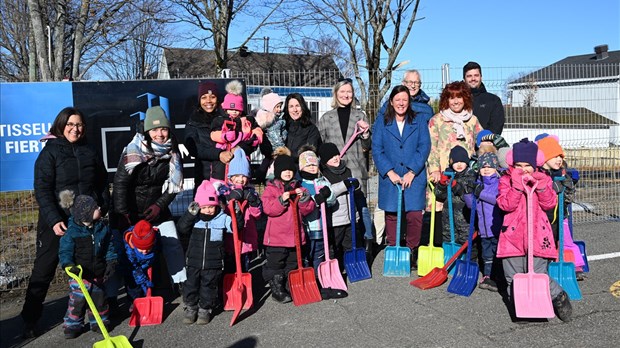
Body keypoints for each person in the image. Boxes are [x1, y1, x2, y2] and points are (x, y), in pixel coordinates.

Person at [21, 107, 110, 338]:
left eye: (79, 124)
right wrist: (53, 220)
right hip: (57, 222)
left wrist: (103, 206)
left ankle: (96, 313)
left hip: (86, 222)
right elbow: (42, 190)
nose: (75, 129)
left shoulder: (89, 150)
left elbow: (101, 182)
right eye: (70, 124)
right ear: (60, 125)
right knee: (44, 270)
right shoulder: (49, 153)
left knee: (92, 265)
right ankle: (30, 319)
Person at [496, 138, 572, 322]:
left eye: (527, 165)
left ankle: (558, 296)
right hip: (512, 237)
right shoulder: (506, 180)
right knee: (512, 276)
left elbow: (550, 203)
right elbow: (505, 205)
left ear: (536, 164)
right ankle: (520, 307)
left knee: (538, 274)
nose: (523, 169)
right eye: (518, 165)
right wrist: (515, 187)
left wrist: (543, 186)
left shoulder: (543, 180)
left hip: (537, 235)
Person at [113, 105, 187, 289]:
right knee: (123, 251)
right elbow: (120, 183)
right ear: (147, 131)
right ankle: (128, 293)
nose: (160, 134)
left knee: (173, 243)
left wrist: (159, 206)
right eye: (154, 130)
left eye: (163, 128)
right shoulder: (133, 150)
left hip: (155, 209)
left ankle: (183, 286)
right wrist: (123, 214)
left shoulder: (173, 151)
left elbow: (173, 187)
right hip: (129, 211)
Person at [371, 85, 431, 270]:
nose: (401, 103)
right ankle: (394, 246)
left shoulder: (419, 120)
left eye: (405, 99)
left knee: (414, 215)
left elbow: (424, 146)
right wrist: (390, 172)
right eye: (398, 100)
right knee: (392, 214)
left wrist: (412, 171)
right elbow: (377, 148)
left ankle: (412, 249)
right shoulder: (382, 121)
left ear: (409, 101)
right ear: (391, 101)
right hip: (391, 175)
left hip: (414, 175)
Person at [317, 78, 374, 255]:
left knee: (361, 207)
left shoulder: (360, 116)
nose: (346, 95)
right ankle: (340, 246)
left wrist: (365, 134)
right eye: (342, 92)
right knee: (339, 210)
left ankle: (366, 243)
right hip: (334, 171)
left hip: (356, 169)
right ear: (336, 94)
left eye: (349, 91)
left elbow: (367, 145)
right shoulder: (326, 118)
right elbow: (321, 145)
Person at [427, 81, 483, 251]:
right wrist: (435, 169)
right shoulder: (437, 120)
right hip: (444, 173)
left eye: (459, 97)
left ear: (465, 98)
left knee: (464, 212)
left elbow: (481, 145)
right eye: (452, 98)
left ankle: (468, 252)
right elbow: (432, 147)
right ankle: (443, 249)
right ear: (446, 100)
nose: (456, 101)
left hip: (466, 175)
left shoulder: (472, 120)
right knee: (442, 211)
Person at [58, 194, 116, 339]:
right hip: (79, 275)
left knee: (99, 299)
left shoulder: (102, 228)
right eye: (95, 207)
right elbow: (65, 252)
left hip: (97, 272)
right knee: (77, 301)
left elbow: (109, 247)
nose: (99, 208)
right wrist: (69, 265)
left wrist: (111, 261)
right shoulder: (72, 232)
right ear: (86, 213)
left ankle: (99, 321)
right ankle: (72, 324)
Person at [176, 180, 232, 325]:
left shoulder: (222, 218)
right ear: (198, 207)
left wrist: (236, 214)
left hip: (213, 263)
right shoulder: (194, 220)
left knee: (209, 287)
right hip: (194, 261)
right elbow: (181, 228)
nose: (208, 210)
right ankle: (190, 308)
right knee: (190, 285)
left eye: (211, 207)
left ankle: (205, 309)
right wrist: (190, 214)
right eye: (204, 207)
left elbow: (235, 227)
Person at [261, 155, 315, 303]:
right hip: (277, 237)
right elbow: (268, 209)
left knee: (292, 263)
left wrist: (304, 199)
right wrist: (281, 200)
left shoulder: (299, 187)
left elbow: (307, 209)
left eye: (290, 170)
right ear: (278, 172)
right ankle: (277, 288)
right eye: (284, 170)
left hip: (295, 236)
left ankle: (290, 285)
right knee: (275, 264)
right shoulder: (271, 189)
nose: (287, 172)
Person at [536, 135, 586, 280]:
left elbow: (569, 197)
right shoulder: (539, 174)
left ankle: (571, 267)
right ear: (545, 157)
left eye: (561, 156)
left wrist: (564, 187)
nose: (559, 159)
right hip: (544, 220)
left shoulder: (562, 175)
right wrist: (550, 187)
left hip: (560, 218)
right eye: (555, 156)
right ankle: (545, 270)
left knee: (563, 242)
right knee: (545, 246)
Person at [318, 143, 364, 269]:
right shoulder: (324, 175)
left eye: (336, 155)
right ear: (325, 161)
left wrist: (356, 185)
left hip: (351, 216)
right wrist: (344, 185)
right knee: (335, 244)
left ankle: (351, 266)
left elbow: (354, 184)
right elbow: (329, 191)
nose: (336, 158)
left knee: (350, 243)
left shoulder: (347, 170)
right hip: (336, 219)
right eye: (331, 157)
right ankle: (335, 268)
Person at [216, 148, 262, 272]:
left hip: (246, 238)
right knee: (229, 268)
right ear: (230, 176)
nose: (240, 179)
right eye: (237, 176)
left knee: (244, 268)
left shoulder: (251, 192)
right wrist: (229, 198)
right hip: (230, 238)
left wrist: (253, 202)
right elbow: (220, 210)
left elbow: (256, 215)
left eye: (244, 176)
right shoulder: (224, 190)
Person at [210, 80, 263, 181]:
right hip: (222, 160)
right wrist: (223, 136)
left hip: (241, 159)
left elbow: (257, 130)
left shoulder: (248, 120)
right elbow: (213, 134)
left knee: (240, 182)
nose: (234, 111)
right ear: (225, 109)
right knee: (221, 184)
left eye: (237, 109)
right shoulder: (219, 120)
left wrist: (256, 138)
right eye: (231, 109)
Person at [296, 146, 336, 272]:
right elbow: (300, 204)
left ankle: (319, 276)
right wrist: (316, 199)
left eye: (314, 165)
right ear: (302, 167)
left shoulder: (322, 181)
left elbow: (332, 199)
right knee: (307, 254)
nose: (312, 167)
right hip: (306, 227)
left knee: (319, 254)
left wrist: (327, 196)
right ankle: (309, 276)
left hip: (320, 226)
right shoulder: (300, 183)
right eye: (308, 165)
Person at [468, 152, 503, 292]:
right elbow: (472, 205)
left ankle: (499, 276)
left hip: (496, 227)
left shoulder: (499, 183)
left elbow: (497, 199)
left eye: (489, 166)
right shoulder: (478, 183)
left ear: (496, 168)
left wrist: (480, 192)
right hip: (483, 229)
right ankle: (488, 276)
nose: (486, 169)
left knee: (497, 253)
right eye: (483, 167)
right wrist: (467, 192)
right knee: (486, 254)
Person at [434, 146, 476, 249]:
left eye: (462, 161)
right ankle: (450, 263)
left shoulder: (470, 176)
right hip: (448, 219)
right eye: (456, 162)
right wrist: (442, 184)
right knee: (449, 243)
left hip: (464, 220)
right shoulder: (449, 174)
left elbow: (466, 194)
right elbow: (439, 194)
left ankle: (469, 262)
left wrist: (455, 185)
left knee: (467, 244)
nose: (459, 164)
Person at [185, 81, 225, 189]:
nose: (208, 101)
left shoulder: (226, 118)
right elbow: (194, 148)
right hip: (204, 178)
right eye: (204, 97)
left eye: (212, 97)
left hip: (227, 176)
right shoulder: (193, 122)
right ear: (199, 100)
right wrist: (219, 154)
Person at [121, 220, 159, 309]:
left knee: (153, 282)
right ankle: (135, 302)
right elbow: (134, 267)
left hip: (147, 265)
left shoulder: (155, 239)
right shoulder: (129, 252)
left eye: (148, 249)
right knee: (134, 287)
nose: (145, 251)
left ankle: (149, 299)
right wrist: (143, 280)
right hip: (132, 269)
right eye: (141, 249)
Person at [463, 61, 505, 134]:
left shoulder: (493, 100)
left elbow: (496, 127)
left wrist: (484, 141)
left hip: (486, 143)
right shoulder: (457, 100)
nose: (473, 78)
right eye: (469, 76)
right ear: (464, 79)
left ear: (481, 77)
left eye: (476, 75)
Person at [282, 93, 321, 157]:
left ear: (302, 107)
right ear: (287, 109)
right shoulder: (283, 126)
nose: (295, 110)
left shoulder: (311, 129)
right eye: (291, 106)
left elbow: (310, 153)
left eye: (297, 106)